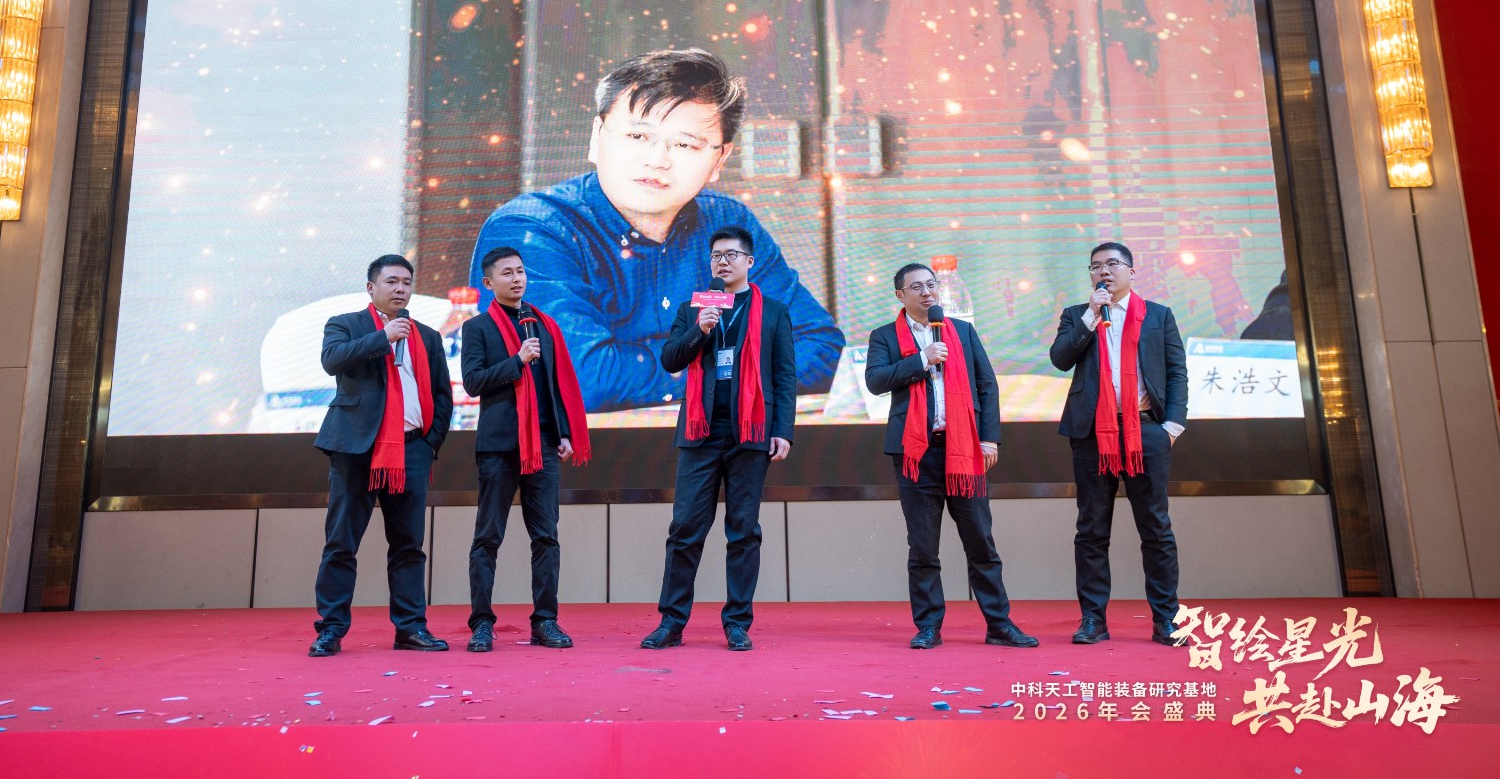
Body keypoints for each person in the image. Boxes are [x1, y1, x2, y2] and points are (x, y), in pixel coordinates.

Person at [467, 48, 843, 412]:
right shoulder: (530, 230)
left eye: (684, 144)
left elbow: (821, 348)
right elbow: (578, 378)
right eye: (637, 137)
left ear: (719, 159)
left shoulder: (729, 224)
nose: (657, 160)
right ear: (597, 137)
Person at [864, 262, 1039, 650]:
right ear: (900, 295)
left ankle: (999, 624)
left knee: (981, 542)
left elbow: (987, 385)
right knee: (923, 546)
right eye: (917, 287)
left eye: (931, 285)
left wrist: (989, 439)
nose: (927, 292)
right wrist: (922, 360)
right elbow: (875, 381)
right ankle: (928, 626)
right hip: (916, 453)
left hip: (964, 450)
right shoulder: (884, 336)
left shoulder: (961, 331)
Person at [640, 226, 794, 651]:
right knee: (685, 529)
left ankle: (737, 623)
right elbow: (670, 359)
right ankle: (671, 622)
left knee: (743, 531)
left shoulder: (774, 312)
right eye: (715, 256)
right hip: (700, 433)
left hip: (751, 433)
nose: (722, 262)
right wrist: (700, 330)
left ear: (749, 261)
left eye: (730, 255)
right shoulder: (694, 308)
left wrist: (783, 430)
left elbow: (784, 376)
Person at [309, 254, 452, 657]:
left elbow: (442, 395)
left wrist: (429, 443)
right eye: (391, 281)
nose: (400, 288)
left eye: (406, 282)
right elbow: (332, 360)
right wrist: (383, 337)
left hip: (411, 451)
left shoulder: (428, 336)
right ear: (371, 287)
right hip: (356, 449)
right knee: (341, 543)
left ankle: (410, 628)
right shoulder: (345, 324)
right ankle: (330, 629)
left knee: (408, 545)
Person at [1049, 241, 1189, 647]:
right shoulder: (1077, 315)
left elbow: (1176, 371)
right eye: (1096, 266)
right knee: (1091, 530)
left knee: (1156, 529)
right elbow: (1060, 358)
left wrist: (1171, 426)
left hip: (1146, 430)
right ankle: (1093, 620)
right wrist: (1091, 317)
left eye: (1112, 264)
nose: (1104, 272)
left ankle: (1166, 620)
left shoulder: (1158, 315)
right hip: (1093, 435)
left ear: (1131, 271)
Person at [459, 246, 593, 652]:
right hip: (500, 447)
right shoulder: (478, 328)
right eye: (507, 273)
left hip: (544, 445)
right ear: (488, 282)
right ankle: (482, 623)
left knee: (546, 537)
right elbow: (473, 382)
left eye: (520, 271)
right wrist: (517, 360)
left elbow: (553, 384)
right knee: (488, 537)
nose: (516, 279)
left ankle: (545, 621)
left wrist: (563, 432)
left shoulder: (543, 324)